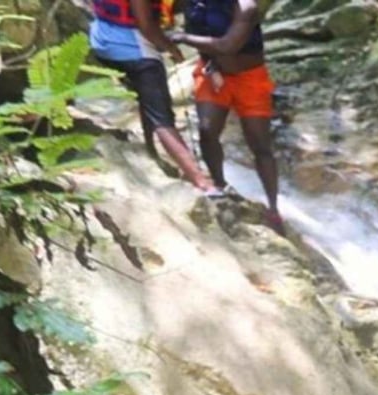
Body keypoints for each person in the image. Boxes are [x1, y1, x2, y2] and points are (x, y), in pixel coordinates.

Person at [168, 0, 283, 230]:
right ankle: (220, 186)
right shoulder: (193, 4)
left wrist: (180, 38)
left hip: (250, 78)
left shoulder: (246, 6)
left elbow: (227, 45)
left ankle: (273, 208)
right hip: (213, 72)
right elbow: (202, 38)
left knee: (260, 145)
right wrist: (211, 69)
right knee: (206, 130)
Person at [87, 0, 217, 194]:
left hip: (101, 40)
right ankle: (201, 182)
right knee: (163, 119)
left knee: (146, 99)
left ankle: (151, 148)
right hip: (134, 50)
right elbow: (146, 25)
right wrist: (171, 48)